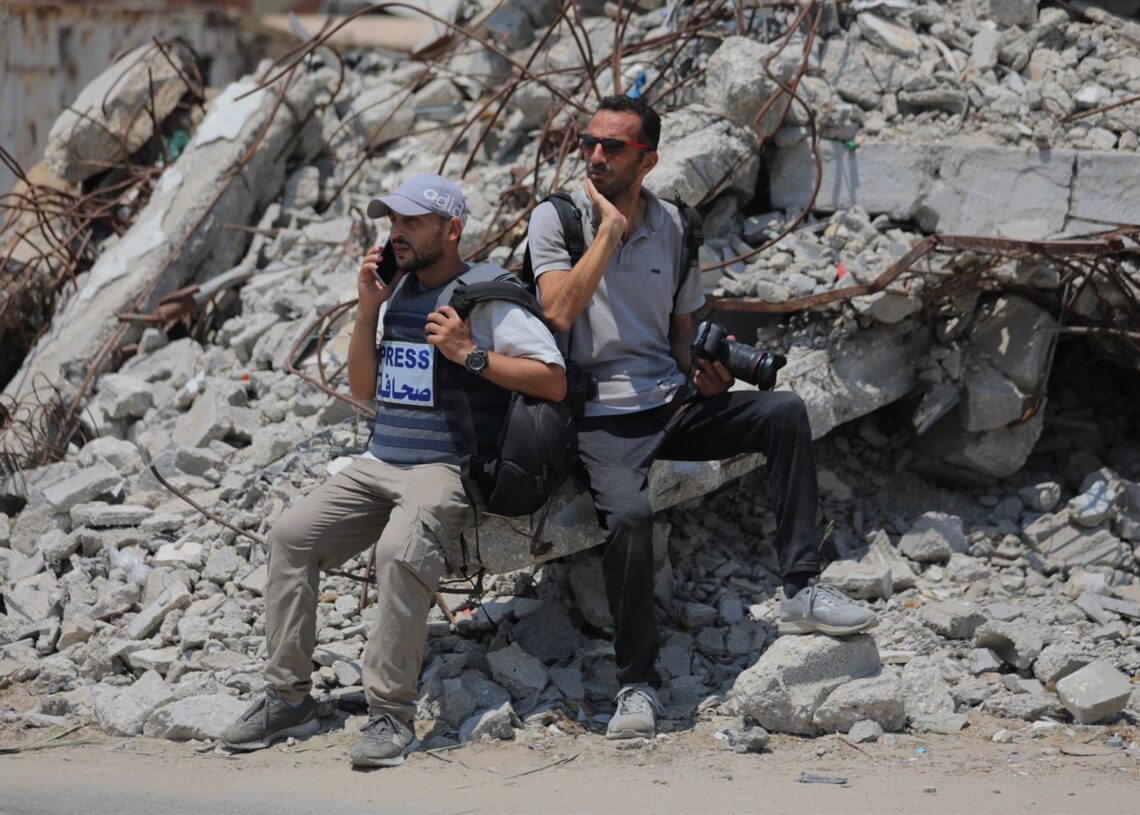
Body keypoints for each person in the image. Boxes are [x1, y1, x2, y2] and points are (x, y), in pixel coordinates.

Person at [526, 96, 876, 740]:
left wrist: (704, 376)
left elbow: (681, 335)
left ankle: (800, 589)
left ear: (648, 159)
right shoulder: (558, 219)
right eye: (588, 144)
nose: (595, 157)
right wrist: (607, 231)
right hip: (599, 413)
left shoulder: (677, 226)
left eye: (613, 147)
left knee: (784, 412)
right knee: (630, 517)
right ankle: (636, 684)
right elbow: (557, 314)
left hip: (669, 401)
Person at [221, 174, 566, 767]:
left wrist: (470, 354)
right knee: (290, 538)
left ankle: (390, 714)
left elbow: (553, 379)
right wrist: (366, 310)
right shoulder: (398, 293)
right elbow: (363, 389)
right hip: (380, 462)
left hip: (445, 468)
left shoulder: (485, 296)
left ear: (451, 230)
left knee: (398, 552)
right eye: (392, 224)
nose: (396, 234)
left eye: (411, 223)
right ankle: (287, 697)